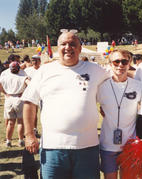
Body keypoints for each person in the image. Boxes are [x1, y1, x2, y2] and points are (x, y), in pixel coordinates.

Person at [22, 31, 110, 179]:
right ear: (58, 47)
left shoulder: (95, 70)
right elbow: (29, 103)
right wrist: (29, 135)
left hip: (87, 147)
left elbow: (119, 73)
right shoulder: (45, 71)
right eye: (64, 44)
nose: (68, 47)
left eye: (73, 44)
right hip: (53, 147)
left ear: (80, 48)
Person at [97, 49, 141, 179]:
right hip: (108, 145)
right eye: (116, 62)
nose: (120, 65)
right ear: (110, 64)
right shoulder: (101, 87)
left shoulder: (138, 86)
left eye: (124, 61)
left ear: (129, 63)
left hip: (130, 145)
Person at [0, 61, 29, 147]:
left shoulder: (4, 73)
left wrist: (5, 93)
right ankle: (21, 140)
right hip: (19, 98)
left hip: (8, 98)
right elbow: (29, 83)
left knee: (10, 122)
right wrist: (24, 92)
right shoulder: (22, 73)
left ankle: (8, 141)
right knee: (20, 121)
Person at [24, 55, 42, 137]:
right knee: (32, 113)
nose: (34, 62)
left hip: (41, 94)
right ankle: (30, 130)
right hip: (31, 95)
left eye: (36, 60)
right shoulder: (27, 70)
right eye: (33, 60)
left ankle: (35, 129)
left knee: (39, 113)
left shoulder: (43, 70)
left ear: (39, 61)